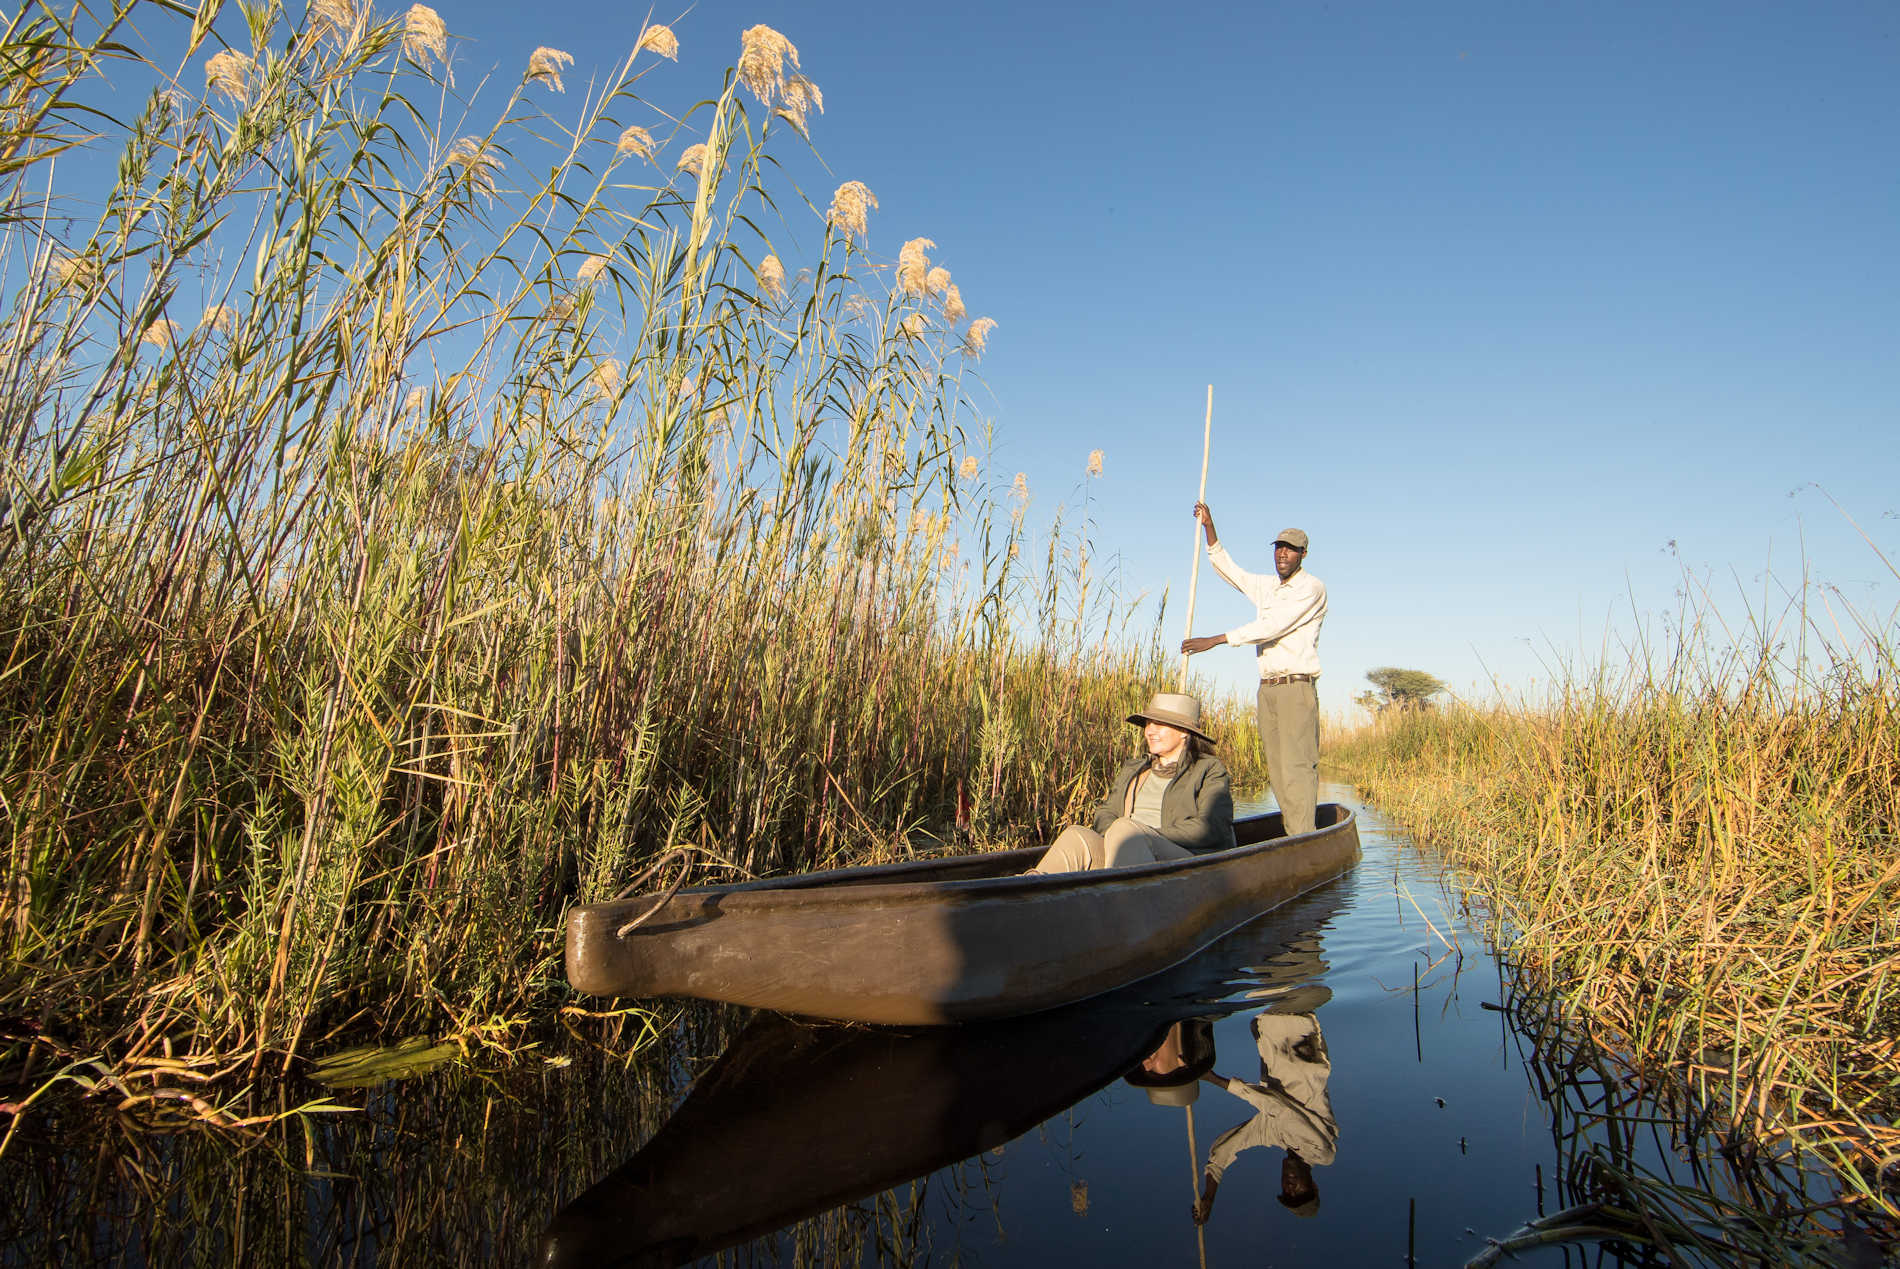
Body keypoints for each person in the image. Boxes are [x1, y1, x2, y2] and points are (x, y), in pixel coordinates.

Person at [1180, 503, 1327, 837]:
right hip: (1268, 688)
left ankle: (1303, 840)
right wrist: (1209, 528)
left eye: (1289, 550)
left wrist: (1217, 639)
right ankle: (1294, 835)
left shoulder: (1311, 589)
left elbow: (1273, 626)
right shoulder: (1267, 587)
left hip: (1295, 687)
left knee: (1298, 767)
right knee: (1277, 769)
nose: (1282, 555)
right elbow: (1230, 570)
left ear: (1303, 554)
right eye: (1278, 549)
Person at [1026, 692, 1235, 873]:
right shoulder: (1135, 769)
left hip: (1182, 861)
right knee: (1076, 835)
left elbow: (1211, 828)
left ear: (1184, 733)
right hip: (1125, 852)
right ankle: (1026, 896)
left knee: (1126, 830)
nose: (1150, 731)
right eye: (1148, 724)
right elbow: (1104, 814)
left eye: (1159, 724)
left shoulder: (1208, 769)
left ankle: (1115, 905)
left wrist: (1141, 834)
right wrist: (1121, 836)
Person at [1191, 1010, 1338, 1225]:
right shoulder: (1321, 1152)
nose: (1290, 1188)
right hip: (1297, 1021)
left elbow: (1223, 1150)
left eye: (1286, 1194)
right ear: (1313, 1186)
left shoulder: (1273, 1134)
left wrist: (1209, 1198)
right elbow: (1279, 1108)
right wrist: (1213, 1078)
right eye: (1300, 1192)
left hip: (1267, 1022)